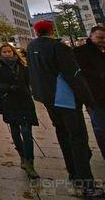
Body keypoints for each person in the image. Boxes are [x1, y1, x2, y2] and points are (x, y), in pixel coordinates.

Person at [28, 20, 102, 198]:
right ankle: (86, 184)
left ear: (36, 31)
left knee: (63, 134)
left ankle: (73, 173)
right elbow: (73, 75)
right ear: (52, 29)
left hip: (49, 99)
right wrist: (89, 100)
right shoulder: (59, 47)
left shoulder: (31, 47)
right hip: (66, 99)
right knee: (78, 138)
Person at [0, 43, 39, 179]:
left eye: (9, 51)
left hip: (25, 100)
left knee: (27, 132)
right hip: (9, 101)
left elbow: (30, 80)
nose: (7, 54)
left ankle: (30, 161)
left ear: (14, 52)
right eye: (4, 52)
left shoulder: (22, 64)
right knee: (15, 130)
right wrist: (7, 87)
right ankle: (22, 156)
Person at [74, 25, 105, 160]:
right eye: (100, 37)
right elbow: (80, 73)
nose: (103, 40)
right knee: (101, 128)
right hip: (95, 97)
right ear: (91, 36)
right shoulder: (81, 52)